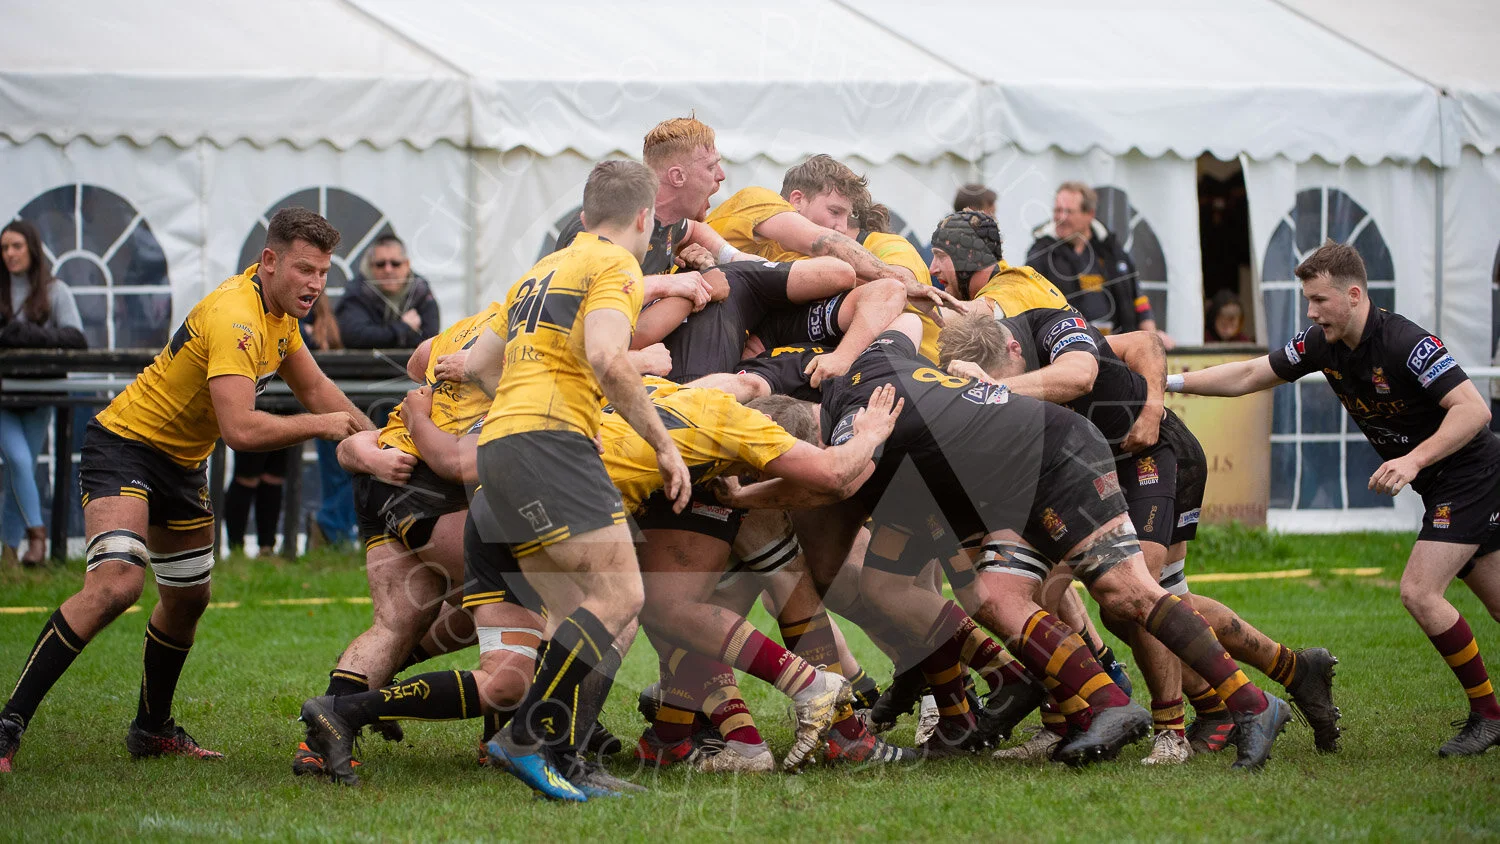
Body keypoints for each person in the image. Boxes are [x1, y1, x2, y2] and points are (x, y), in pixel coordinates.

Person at [304, 160, 695, 804]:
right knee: (621, 596)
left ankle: (362, 714)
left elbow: (471, 361)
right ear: (646, 219)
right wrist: (661, 443)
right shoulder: (618, 267)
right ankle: (531, 740)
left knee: (571, 617)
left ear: (581, 216)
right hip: (549, 445)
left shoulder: (538, 272)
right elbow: (606, 358)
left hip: (498, 453)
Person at [0, 208, 372, 774]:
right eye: (305, 270)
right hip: (124, 445)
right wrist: (322, 427)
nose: (316, 285)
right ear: (269, 261)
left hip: (181, 466)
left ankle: (151, 730)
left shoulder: (280, 313)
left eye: (323, 273)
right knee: (116, 584)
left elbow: (317, 386)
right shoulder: (236, 315)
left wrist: (380, 441)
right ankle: (8, 725)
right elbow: (242, 431)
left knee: (188, 598)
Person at [1171, 239, 1500, 757]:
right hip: (1442, 481)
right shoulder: (1320, 343)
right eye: (1308, 300)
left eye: (1319, 300)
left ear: (1353, 295)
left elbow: (1473, 410)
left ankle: (1488, 716)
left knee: (1419, 591)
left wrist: (1413, 460)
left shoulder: (1406, 342)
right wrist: (1168, 381)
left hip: (1471, 474)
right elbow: (1251, 373)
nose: (1310, 311)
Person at [0, 220, 86, 566]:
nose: (9, 254)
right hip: (4, 397)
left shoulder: (55, 290)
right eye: (4, 248)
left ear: (32, 249)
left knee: (17, 472)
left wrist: (26, 335)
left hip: (39, 398)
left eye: (16, 246)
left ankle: (8, 554)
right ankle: (38, 536)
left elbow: (76, 339)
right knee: (19, 462)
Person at [1026, 182, 1160, 337]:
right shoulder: (1040, 253)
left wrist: (1152, 336)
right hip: (1068, 348)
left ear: (1089, 214)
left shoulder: (1112, 250)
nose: (1061, 217)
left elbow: (1138, 298)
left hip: (1118, 345)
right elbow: (1030, 307)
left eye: (1068, 211)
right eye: (1057, 210)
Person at [928, 211, 1070, 319]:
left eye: (941, 256)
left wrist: (908, 301)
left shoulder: (1012, 289)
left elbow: (976, 314)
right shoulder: (1006, 273)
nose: (932, 269)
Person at [335, 234, 441, 349]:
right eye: (380, 264)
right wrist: (403, 328)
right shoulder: (357, 290)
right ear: (371, 266)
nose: (388, 269)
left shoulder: (420, 290)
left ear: (407, 264)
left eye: (395, 263)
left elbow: (429, 339)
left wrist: (380, 334)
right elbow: (353, 336)